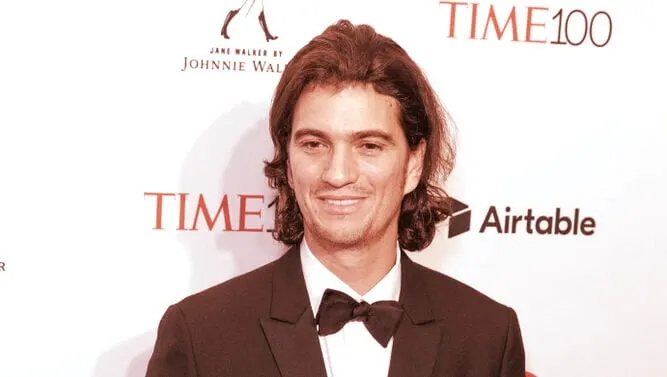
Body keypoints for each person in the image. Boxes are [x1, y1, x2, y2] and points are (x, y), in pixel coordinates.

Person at [145, 19, 526, 377]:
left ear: (413, 164)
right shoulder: (201, 337)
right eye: (314, 144)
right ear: (289, 163)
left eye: (369, 145)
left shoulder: (487, 337)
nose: (338, 173)